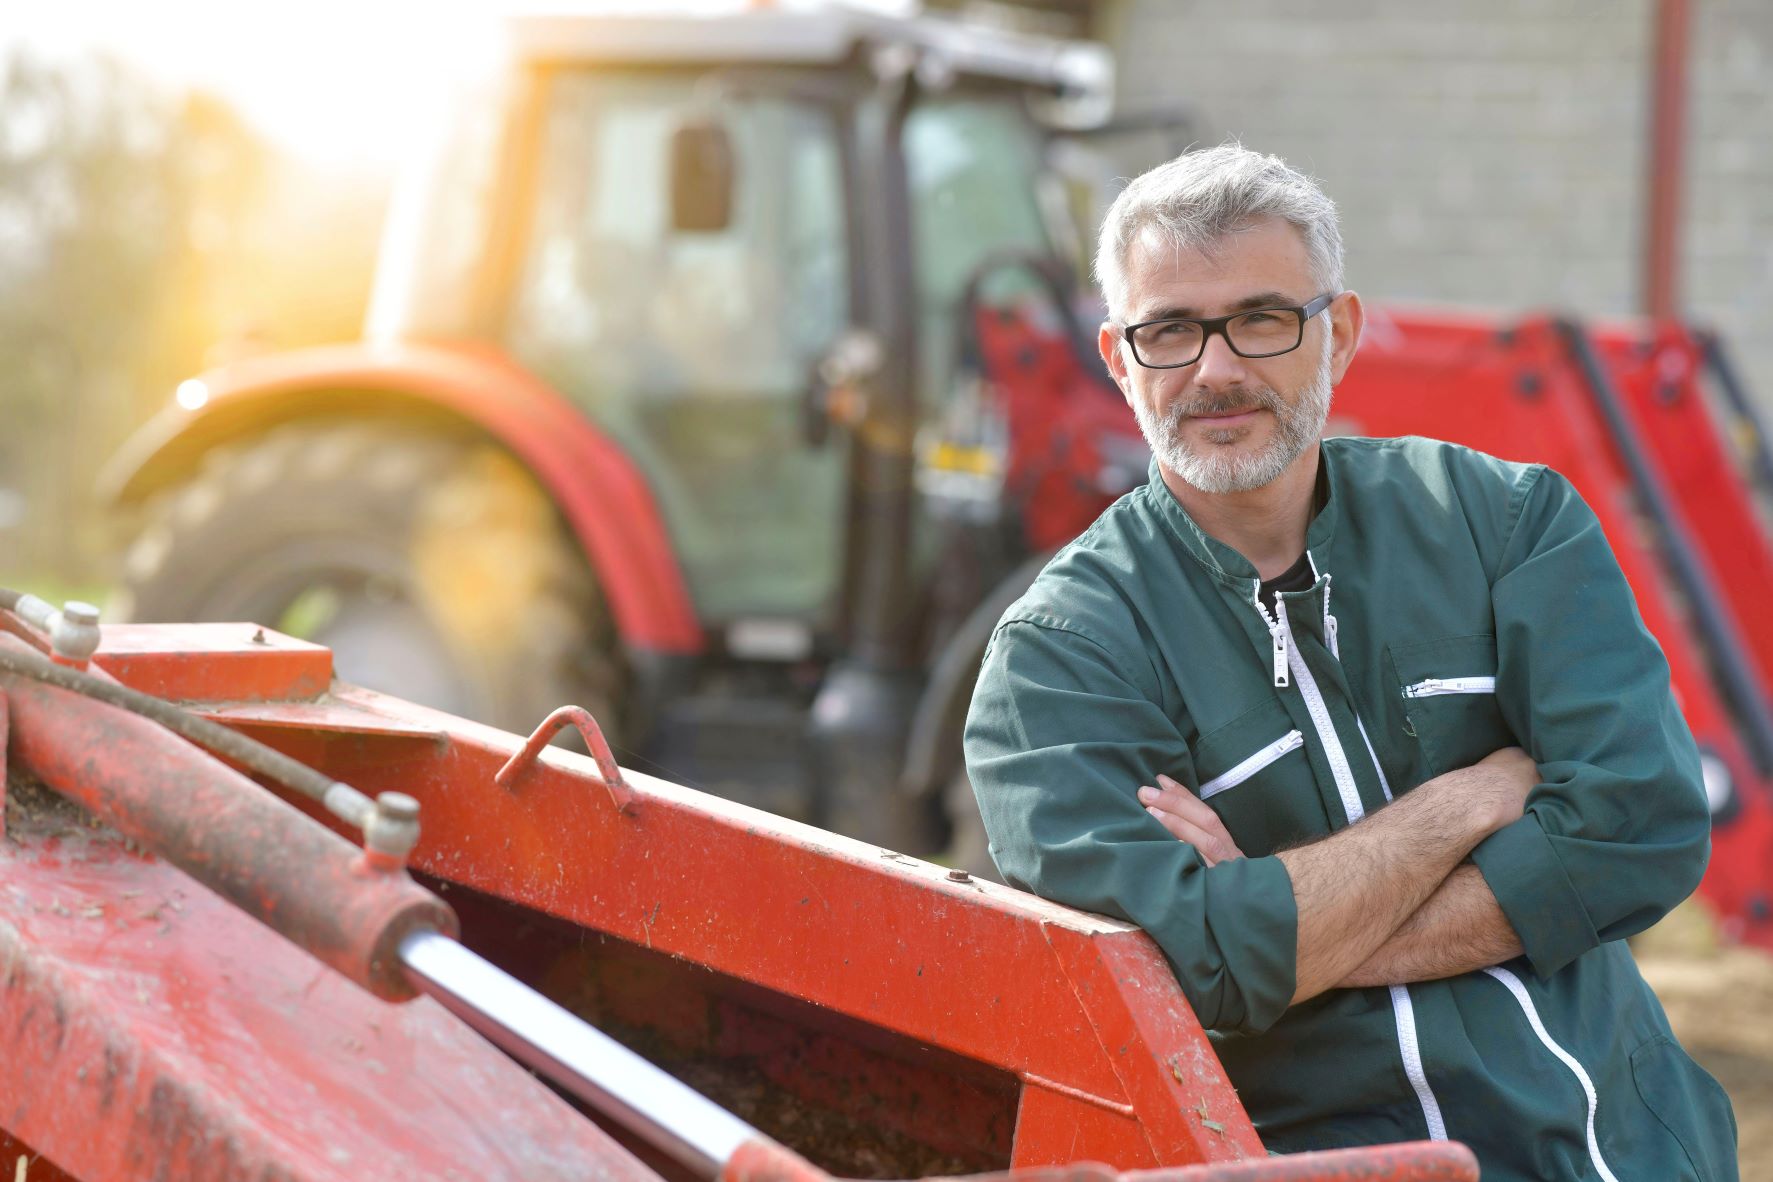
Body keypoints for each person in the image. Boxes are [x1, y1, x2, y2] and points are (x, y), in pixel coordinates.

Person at [962, 144, 1737, 1180]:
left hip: (1623, 1150)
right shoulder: (1059, 662)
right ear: (1116, 358)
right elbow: (1162, 974)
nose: (1217, 369)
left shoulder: (1505, 524)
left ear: (1340, 334)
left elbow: (1641, 825)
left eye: (1263, 319)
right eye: (1171, 331)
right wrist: (1465, 801)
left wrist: (1274, 931)